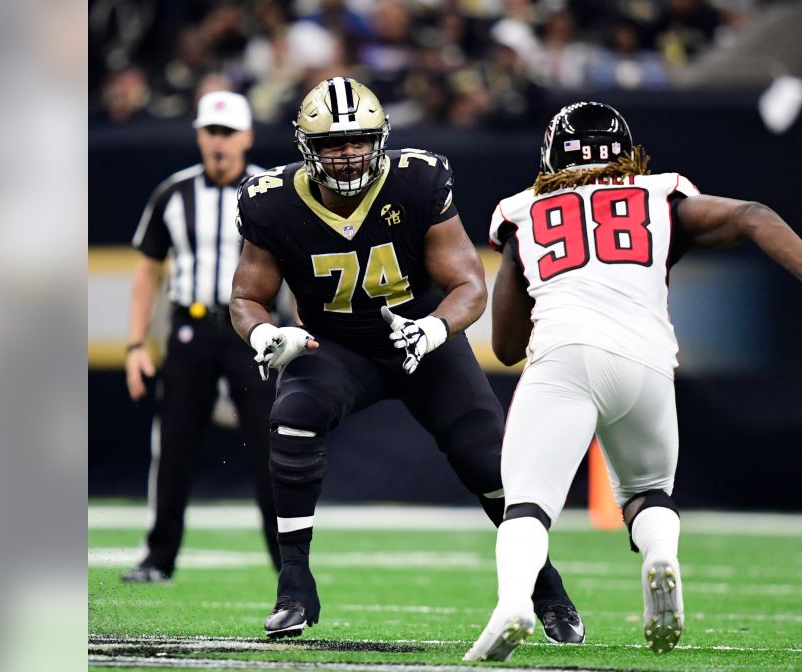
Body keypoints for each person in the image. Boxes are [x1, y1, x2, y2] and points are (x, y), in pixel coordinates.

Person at [464, 101, 802, 661]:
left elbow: (503, 345)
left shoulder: (521, 210)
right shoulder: (657, 194)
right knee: (648, 493)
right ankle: (660, 555)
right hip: (647, 362)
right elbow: (753, 215)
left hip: (566, 354)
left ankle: (515, 601)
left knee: (527, 502)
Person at [228, 77, 583, 642]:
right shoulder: (270, 202)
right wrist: (264, 335)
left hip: (418, 338)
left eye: (359, 141)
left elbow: (469, 283)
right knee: (292, 420)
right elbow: (246, 297)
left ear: (381, 138)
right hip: (333, 346)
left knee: (489, 462)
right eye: (332, 144)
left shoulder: (416, 182)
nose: (347, 155)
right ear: (306, 147)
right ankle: (293, 586)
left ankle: (546, 587)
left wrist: (435, 326)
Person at [122, 91, 281, 582]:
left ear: (247, 136)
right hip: (189, 328)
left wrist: (297, 328)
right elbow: (148, 270)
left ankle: (288, 564)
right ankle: (158, 556)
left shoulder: (271, 190)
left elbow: (295, 265)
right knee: (173, 444)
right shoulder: (173, 192)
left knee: (271, 447)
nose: (219, 142)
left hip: (251, 331)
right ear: (198, 136)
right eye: (212, 132)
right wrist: (134, 345)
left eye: (228, 132)